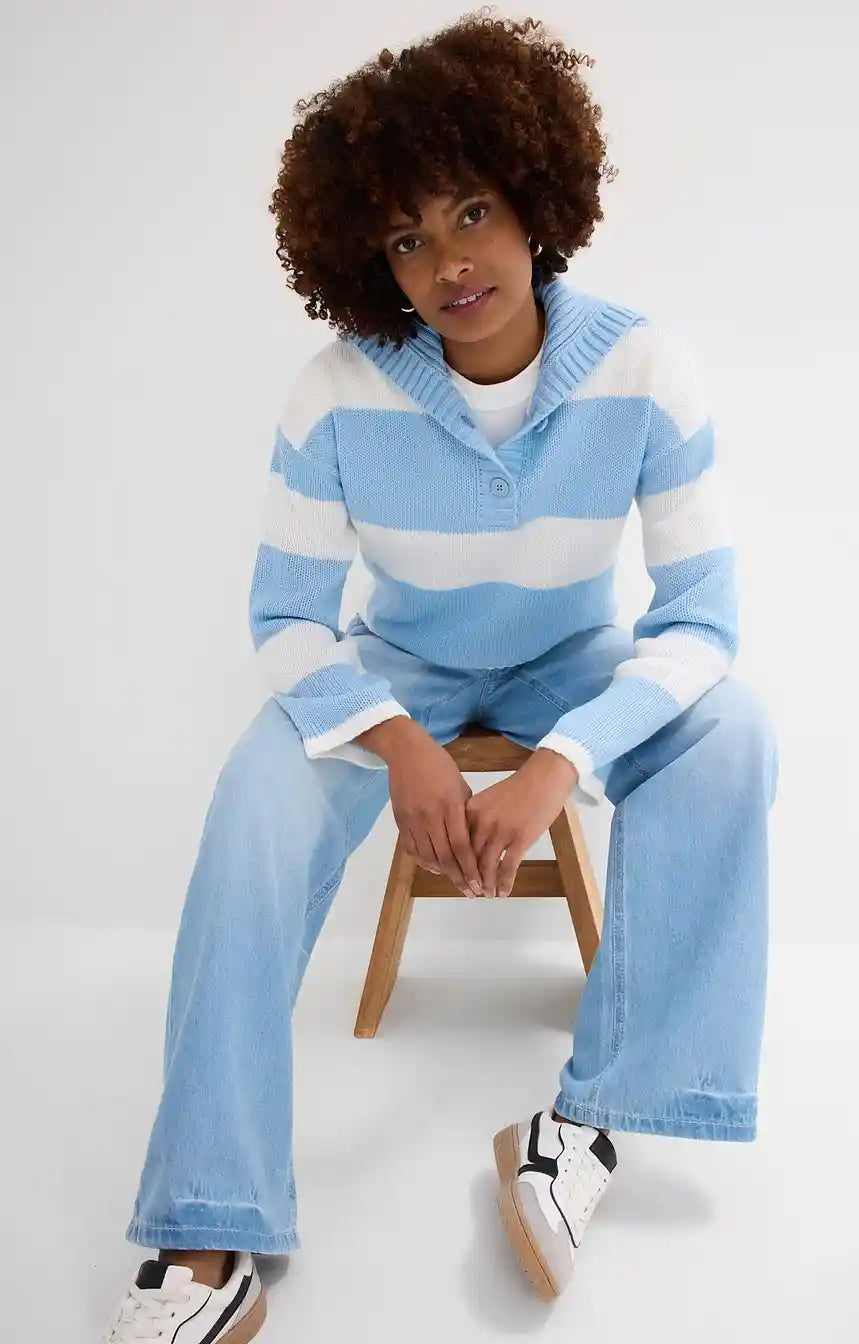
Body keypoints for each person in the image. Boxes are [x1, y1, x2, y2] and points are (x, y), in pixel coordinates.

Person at [100, 9, 778, 1340]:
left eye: (472, 212)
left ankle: (584, 1123)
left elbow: (702, 621)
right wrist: (399, 743)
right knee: (253, 799)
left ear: (535, 201)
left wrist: (560, 761)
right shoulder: (337, 391)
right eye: (408, 238)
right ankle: (209, 1217)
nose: (450, 262)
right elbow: (286, 619)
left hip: (569, 665)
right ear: (371, 259)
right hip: (398, 665)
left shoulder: (647, 368)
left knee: (733, 730)